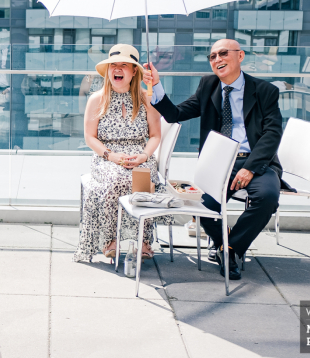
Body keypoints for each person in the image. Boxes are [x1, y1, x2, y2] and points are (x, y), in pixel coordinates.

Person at [145, 39, 284, 281]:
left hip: (256, 161)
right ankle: (227, 247)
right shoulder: (208, 86)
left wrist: (250, 168)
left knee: (268, 198)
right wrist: (156, 84)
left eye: (222, 53)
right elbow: (175, 114)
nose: (217, 59)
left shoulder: (265, 91)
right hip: (220, 163)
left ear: (240, 56)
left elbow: (272, 134)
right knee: (201, 206)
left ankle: (230, 250)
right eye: (212, 57)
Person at [73, 44, 172, 263]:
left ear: (134, 71)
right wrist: (111, 155)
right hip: (106, 155)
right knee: (117, 179)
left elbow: (155, 135)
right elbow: (90, 138)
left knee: (142, 178)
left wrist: (144, 156)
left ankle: (144, 240)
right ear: (108, 70)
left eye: (124, 65)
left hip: (140, 154)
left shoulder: (147, 98)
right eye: (113, 65)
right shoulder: (96, 99)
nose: (117, 69)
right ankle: (111, 240)